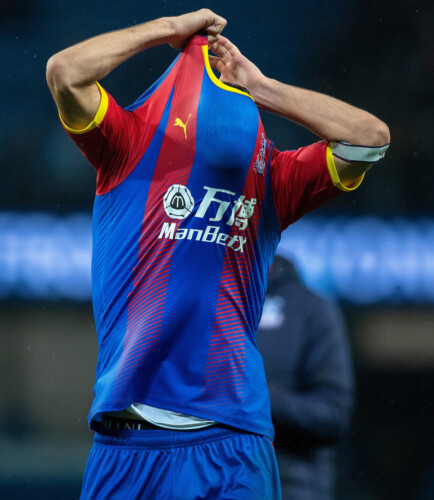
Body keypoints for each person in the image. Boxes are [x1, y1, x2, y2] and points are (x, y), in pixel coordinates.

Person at [46, 8, 389, 499]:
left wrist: (261, 86)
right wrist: (169, 29)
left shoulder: (272, 177)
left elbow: (369, 139)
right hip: (128, 439)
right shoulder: (131, 143)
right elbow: (65, 71)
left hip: (233, 440)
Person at [257, 255, 354, 499]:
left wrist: (256, 396)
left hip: (290, 486)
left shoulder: (312, 310)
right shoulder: (210, 303)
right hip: (215, 482)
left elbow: (332, 416)